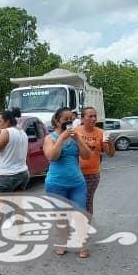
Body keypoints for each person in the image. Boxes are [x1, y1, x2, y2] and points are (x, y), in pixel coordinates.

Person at [43, 107, 94, 258]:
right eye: (65, 119)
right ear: (58, 121)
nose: (69, 122)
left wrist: (77, 138)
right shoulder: (50, 138)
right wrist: (61, 139)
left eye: (71, 119)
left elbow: (87, 155)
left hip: (77, 183)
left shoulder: (76, 136)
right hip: (56, 184)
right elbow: (52, 156)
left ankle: (82, 244)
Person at [78, 106, 112, 216]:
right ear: (82, 118)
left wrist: (111, 143)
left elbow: (110, 154)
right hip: (75, 173)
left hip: (92, 174)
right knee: (76, 201)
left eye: (95, 116)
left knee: (87, 201)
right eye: (90, 116)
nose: (93, 119)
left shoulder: (102, 132)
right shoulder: (75, 131)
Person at [0, 108, 30, 193]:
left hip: (6, 175)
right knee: (16, 205)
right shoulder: (22, 132)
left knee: (1, 205)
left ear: (7, 121)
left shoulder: (6, 132)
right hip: (22, 173)